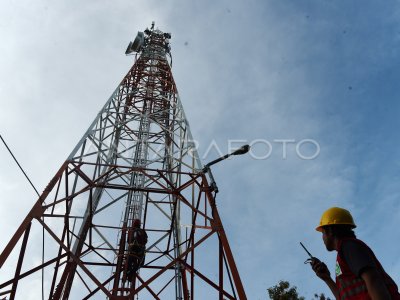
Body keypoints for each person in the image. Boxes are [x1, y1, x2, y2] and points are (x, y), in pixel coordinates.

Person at [310, 207, 400, 300]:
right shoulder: (343, 254)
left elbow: (373, 280)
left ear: (330, 231)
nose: (322, 238)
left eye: (323, 233)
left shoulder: (349, 246)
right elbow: (342, 297)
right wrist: (327, 278)